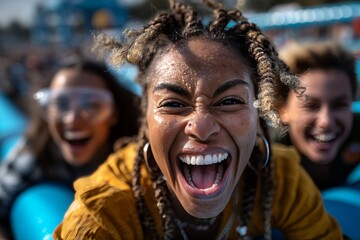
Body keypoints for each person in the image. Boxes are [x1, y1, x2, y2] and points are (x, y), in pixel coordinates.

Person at [54, 1, 343, 239]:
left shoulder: (283, 180)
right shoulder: (103, 214)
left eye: (229, 101)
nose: (202, 127)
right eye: (174, 104)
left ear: (258, 113)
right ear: (146, 118)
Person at [0, 59, 140, 239]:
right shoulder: (35, 155)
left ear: (114, 114)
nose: (72, 120)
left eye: (91, 105)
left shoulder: (136, 165)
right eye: (61, 105)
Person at [276, 41, 360, 190]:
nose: (326, 121)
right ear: (283, 110)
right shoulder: (265, 157)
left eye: (340, 105)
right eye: (310, 106)